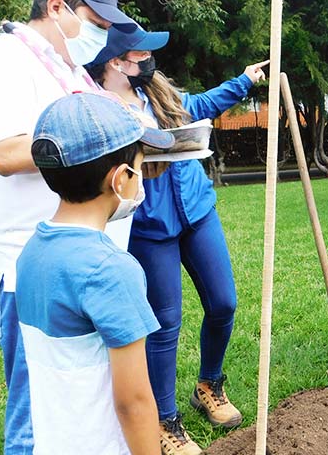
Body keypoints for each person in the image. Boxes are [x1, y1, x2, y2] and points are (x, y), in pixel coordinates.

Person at [0, 0, 137, 454]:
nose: (101, 36)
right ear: (57, 8)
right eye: (96, 24)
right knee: (33, 419)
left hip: (87, 255)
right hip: (29, 263)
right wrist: (89, 143)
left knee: (74, 404)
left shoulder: (69, 69)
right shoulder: (2, 61)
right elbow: (3, 152)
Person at [88, 24, 269, 454]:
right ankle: (165, 422)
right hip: (150, 226)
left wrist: (244, 80)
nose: (149, 60)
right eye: (140, 55)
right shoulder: (96, 107)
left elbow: (201, 104)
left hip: (197, 211)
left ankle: (209, 384)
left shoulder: (158, 93)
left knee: (224, 303)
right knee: (165, 324)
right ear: (116, 62)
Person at [17, 92, 173, 454]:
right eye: (140, 165)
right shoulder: (111, 270)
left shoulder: (32, 252)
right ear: (120, 179)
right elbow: (133, 402)